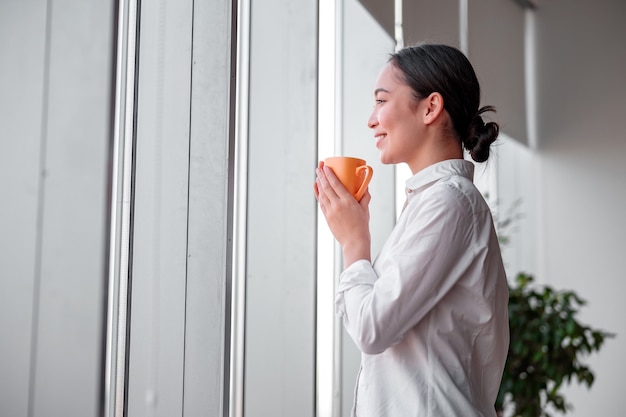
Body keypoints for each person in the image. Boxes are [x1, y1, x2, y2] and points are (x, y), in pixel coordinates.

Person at [314, 43, 509, 417]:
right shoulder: (435, 203)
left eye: (382, 101)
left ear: (430, 108)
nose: (371, 119)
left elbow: (373, 328)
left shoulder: (449, 203)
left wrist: (355, 241)